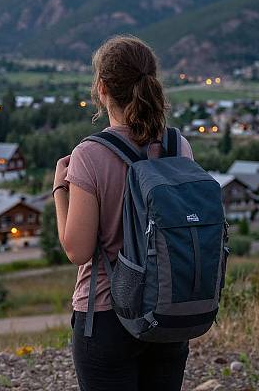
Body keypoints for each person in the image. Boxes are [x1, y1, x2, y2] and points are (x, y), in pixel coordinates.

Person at [53, 36, 193, 391]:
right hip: (168, 310)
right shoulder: (178, 145)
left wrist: (59, 189)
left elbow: (78, 250)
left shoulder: (91, 155)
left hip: (105, 315)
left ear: (101, 88)